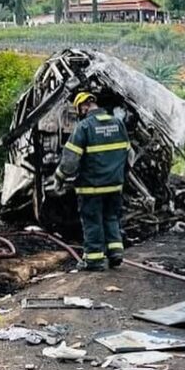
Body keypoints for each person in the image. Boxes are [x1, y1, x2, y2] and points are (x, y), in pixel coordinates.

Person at [51, 91, 131, 271]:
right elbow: (128, 154)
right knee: (111, 218)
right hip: (114, 185)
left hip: (91, 187)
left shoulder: (84, 127)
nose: (80, 113)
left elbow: (70, 160)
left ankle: (94, 260)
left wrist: (60, 178)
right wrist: (120, 176)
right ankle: (116, 253)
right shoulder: (118, 123)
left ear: (84, 106)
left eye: (79, 109)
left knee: (92, 221)